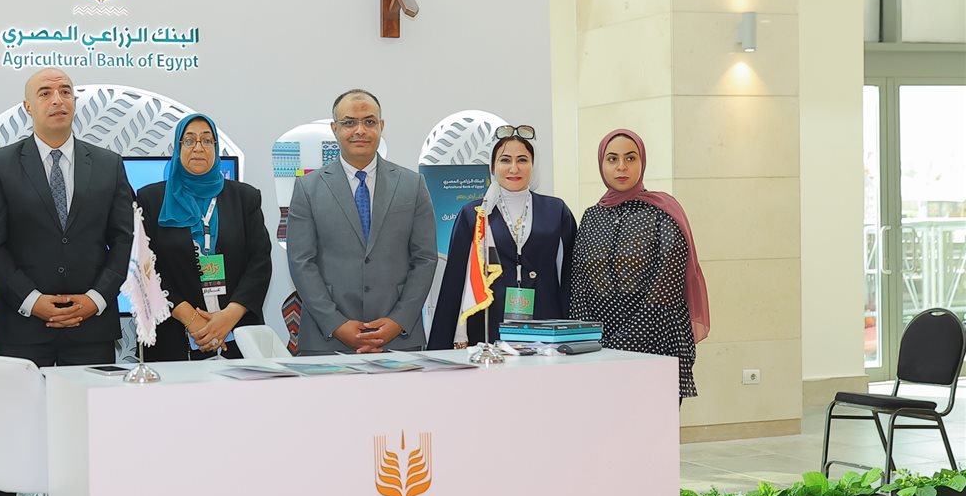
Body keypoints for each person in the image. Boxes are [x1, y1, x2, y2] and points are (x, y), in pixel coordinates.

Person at [0, 67, 133, 496]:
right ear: (28, 107)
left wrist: (96, 299)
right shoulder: (0, 165)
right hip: (24, 329)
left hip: (91, 328)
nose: (58, 99)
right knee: (17, 439)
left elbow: (122, 240)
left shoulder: (107, 164)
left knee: (88, 442)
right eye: (45, 92)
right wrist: (33, 301)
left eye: (66, 91)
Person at [285, 90, 437, 355]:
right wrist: (336, 324)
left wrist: (398, 321)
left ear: (381, 126)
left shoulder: (413, 185)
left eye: (369, 122)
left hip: (399, 339)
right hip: (327, 339)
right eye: (349, 123)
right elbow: (301, 262)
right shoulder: (308, 188)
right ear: (334, 129)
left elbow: (425, 258)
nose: (360, 130)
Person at [569, 128, 710, 401]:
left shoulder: (663, 213)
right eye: (612, 159)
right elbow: (579, 287)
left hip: (657, 344)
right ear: (601, 164)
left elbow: (666, 288)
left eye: (630, 158)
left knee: (651, 424)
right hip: (598, 350)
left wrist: (621, 343)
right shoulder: (591, 217)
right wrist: (587, 340)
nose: (621, 166)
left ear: (642, 162)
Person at [135, 113, 272, 360]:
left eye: (207, 140)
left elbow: (259, 263)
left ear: (216, 147)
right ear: (178, 148)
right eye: (189, 140)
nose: (198, 147)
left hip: (238, 335)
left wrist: (228, 317)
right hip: (174, 336)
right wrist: (192, 319)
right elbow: (146, 270)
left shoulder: (245, 198)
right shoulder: (151, 200)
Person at [429, 126, 576, 349]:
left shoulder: (556, 210)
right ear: (492, 166)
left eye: (522, 160)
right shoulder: (475, 213)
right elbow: (455, 281)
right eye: (505, 160)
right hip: (488, 326)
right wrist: (446, 342)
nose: (514, 168)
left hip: (546, 326)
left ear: (534, 165)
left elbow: (570, 276)